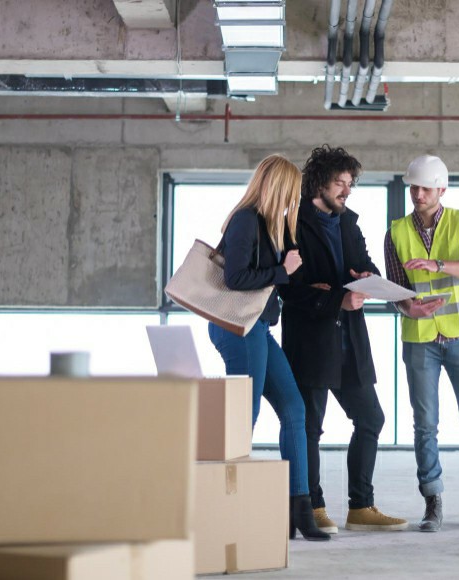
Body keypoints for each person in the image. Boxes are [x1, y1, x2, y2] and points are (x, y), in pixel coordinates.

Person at [278, 145, 407, 534]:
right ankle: (312, 506)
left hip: (350, 336)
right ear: (319, 182)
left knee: (371, 417)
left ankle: (361, 507)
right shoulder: (292, 223)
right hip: (312, 340)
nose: (346, 191)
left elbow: (364, 262)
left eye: (350, 184)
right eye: (340, 183)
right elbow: (288, 287)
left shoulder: (348, 222)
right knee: (310, 427)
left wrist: (364, 278)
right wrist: (337, 297)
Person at [207, 154, 330, 542]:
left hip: (258, 326)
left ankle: (300, 509)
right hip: (237, 327)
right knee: (246, 415)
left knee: (295, 408)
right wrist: (283, 270)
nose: (295, 199)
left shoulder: (271, 225)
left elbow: (276, 277)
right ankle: (224, 503)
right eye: (292, 191)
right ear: (278, 187)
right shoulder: (246, 220)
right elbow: (236, 276)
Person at [383, 154, 459, 532]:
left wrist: (437, 265)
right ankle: (432, 502)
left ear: (441, 189)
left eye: (424, 188)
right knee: (425, 426)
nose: (417, 194)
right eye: (413, 188)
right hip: (420, 338)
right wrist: (408, 308)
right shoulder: (396, 231)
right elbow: (395, 290)